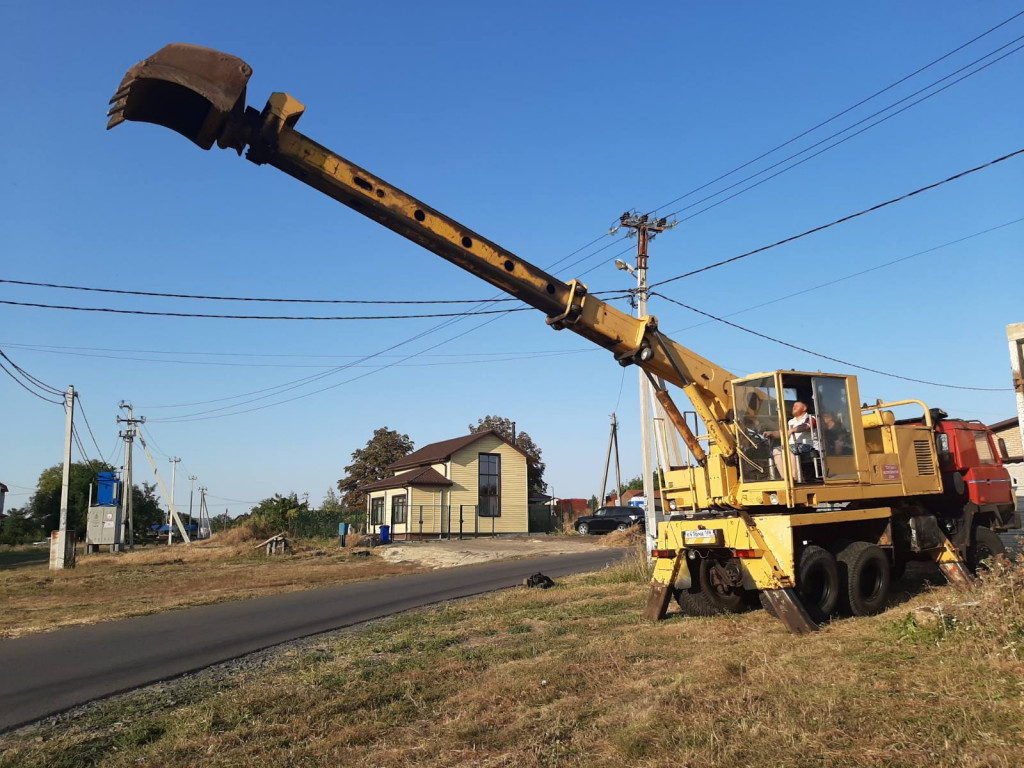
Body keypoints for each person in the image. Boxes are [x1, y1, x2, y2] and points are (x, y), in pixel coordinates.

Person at [766, 401, 818, 480]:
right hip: (793, 446)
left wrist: (792, 430)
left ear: (804, 408)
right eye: (793, 405)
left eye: (797, 405)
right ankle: (785, 478)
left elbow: (806, 426)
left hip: (809, 447)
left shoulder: (811, 418)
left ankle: (794, 476)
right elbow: (782, 433)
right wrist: (772, 433)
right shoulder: (791, 421)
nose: (794, 407)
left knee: (790, 449)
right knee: (776, 451)